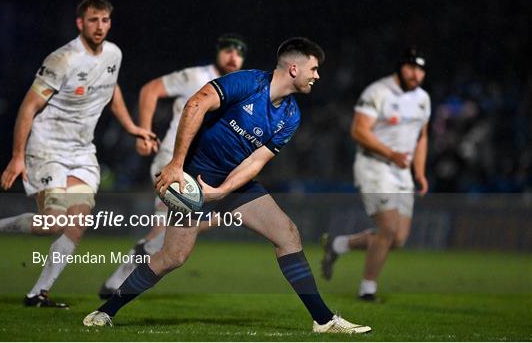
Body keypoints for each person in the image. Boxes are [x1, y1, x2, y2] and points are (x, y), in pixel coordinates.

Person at [83, 37, 371, 334]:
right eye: (314, 68)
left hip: (233, 184)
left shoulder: (290, 116)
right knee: (173, 257)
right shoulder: (248, 83)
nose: (317, 75)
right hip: (192, 179)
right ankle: (107, 310)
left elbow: (255, 163)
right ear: (294, 68)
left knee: (287, 234)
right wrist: (177, 165)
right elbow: (196, 103)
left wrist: (223, 191)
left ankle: (323, 320)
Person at [0, 0, 156, 308]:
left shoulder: (113, 54)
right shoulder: (63, 58)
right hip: (47, 147)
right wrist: (17, 156)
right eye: (93, 20)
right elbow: (28, 107)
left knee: (78, 221)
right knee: (53, 223)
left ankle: (37, 293)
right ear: (80, 23)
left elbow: (113, 89)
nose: (100, 26)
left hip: (82, 151)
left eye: (105, 20)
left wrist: (133, 127)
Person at [98, 34, 247, 299]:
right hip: (171, 160)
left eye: (239, 52)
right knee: (170, 227)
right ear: (218, 53)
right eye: (227, 50)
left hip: (202, 167)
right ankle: (117, 284)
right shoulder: (195, 76)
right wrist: (144, 132)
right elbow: (150, 90)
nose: (233, 56)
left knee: (210, 219)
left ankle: (129, 265)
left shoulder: (240, 87)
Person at [321, 47, 430, 301]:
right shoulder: (378, 92)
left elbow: (422, 137)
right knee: (388, 228)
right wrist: (391, 154)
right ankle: (367, 289)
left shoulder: (423, 98)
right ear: (400, 68)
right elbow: (359, 131)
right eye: (411, 68)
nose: (416, 74)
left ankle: (339, 244)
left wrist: (420, 173)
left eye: (420, 70)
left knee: (399, 239)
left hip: (402, 171)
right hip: (374, 166)